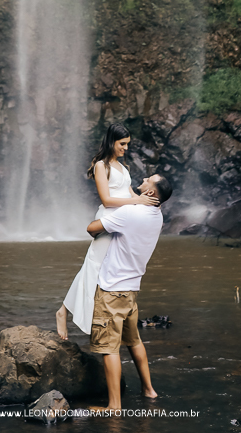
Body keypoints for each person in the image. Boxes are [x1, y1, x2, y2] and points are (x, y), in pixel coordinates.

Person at [56, 123, 159, 340]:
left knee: (98, 267)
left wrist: (147, 204)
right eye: (123, 144)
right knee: (92, 267)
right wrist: (136, 201)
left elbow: (130, 194)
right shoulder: (101, 166)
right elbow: (106, 199)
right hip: (108, 218)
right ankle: (63, 311)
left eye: (127, 144)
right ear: (112, 142)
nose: (126, 148)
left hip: (121, 222)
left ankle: (73, 311)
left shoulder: (123, 168)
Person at [86, 172, 173, 413]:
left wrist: (126, 205)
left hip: (112, 289)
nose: (144, 178)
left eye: (148, 180)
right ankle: (149, 390)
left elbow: (92, 229)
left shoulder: (130, 213)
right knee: (134, 340)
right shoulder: (157, 216)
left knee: (109, 347)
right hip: (131, 289)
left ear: (151, 193)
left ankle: (114, 406)